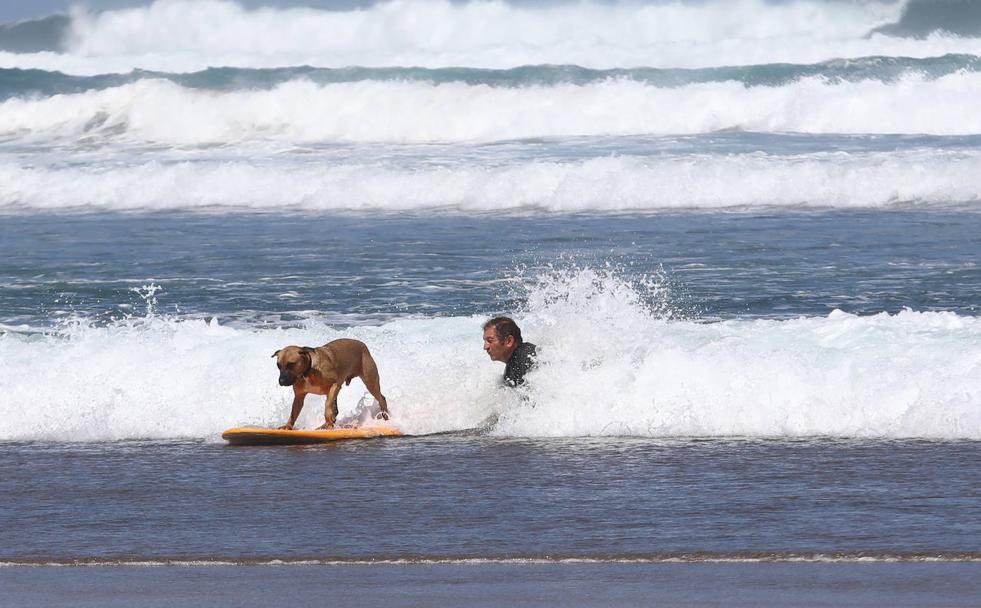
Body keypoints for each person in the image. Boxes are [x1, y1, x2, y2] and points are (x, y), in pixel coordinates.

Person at [482, 316, 537, 387]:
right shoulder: (520, 358)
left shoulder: (523, 360)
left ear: (509, 341)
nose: (485, 347)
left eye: (490, 341)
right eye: (485, 341)